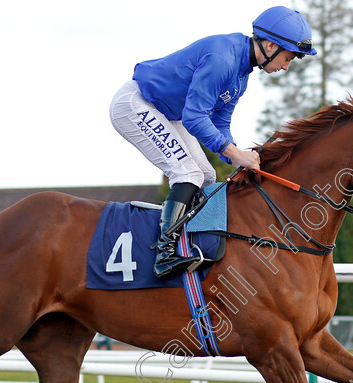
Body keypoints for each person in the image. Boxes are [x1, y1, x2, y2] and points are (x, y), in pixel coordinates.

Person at [110, 6, 317, 279]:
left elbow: (220, 124)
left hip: (168, 112)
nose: (286, 66)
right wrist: (234, 153)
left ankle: (193, 245)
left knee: (206, 176)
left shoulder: (242, 76)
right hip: (136, 103)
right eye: (287, 58)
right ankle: (164, 254)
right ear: (269, 45)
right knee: (188, 173)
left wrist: (236, 157)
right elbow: (195, 118)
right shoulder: (223, 59)